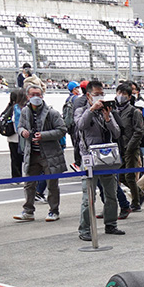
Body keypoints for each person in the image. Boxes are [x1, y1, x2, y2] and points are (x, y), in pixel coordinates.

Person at [74, 80, 123, 240]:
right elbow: (80, 125)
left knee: (111, 194)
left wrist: (108, 117)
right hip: (89, 158)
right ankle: (85, 229)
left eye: (102, 94)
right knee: (88, 197)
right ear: (88, 95)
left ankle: (111, 224)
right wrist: (91, 110)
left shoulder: (107, 110)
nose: (100, 97)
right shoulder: (80, 110)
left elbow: (116, 133)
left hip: (107, 158)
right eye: (96, 95)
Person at [14, 83, 67, 221]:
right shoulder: (25, 111)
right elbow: (19, 127)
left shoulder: (51, 112)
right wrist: (22, 132)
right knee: (29, 184)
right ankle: (28, 211)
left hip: (49, 154)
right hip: (31, 153)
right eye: (32, 95)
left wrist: (44, 135)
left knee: (52, 184)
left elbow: (62, 130)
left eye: (38, 95)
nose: (35, 97)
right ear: (27, 96)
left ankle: (53, 210)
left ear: (42, 95)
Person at [113, 82, 144, 215]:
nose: (121, 96)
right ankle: (140, 194)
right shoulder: (113, 110)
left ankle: (136, 202)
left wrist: (130, 146)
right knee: (120, 176)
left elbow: (139, 131)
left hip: (131, 148)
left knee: (130, 176)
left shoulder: (134, 111)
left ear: (129, 96)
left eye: (124, 94)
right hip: (118, 147)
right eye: (119, 93)